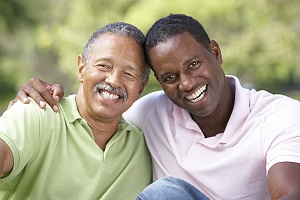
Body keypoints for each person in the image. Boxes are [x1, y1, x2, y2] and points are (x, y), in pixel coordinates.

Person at [9, 14, 300, 199]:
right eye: (170, 77)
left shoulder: (277, 115)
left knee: (166, 193)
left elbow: (290, 192)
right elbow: (102, 100)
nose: (186, 83)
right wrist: (34, 100)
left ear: (215, 52)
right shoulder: (149, 113)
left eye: (194, 64)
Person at [0, 22, 153, 199]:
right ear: (81, 68)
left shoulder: (145, 148)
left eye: (129, 74)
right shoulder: (39, 112)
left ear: (141, 87)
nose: (114, 81)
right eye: (104, 66)